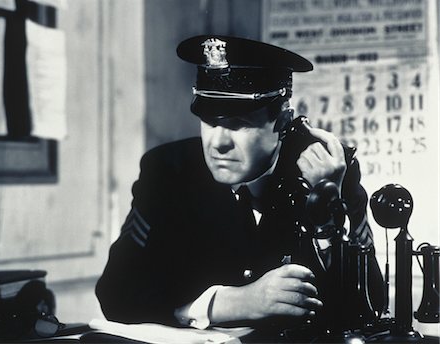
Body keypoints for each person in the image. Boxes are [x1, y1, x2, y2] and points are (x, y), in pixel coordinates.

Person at [96, 35, 384, 335]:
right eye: (209, 121)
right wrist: (229, 303)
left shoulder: (328, 171)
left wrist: (327, 210)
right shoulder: (169, 171)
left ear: (284, 121)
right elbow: (115, 294)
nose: (218, 143)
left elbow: (370, 307)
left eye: (238, 124)